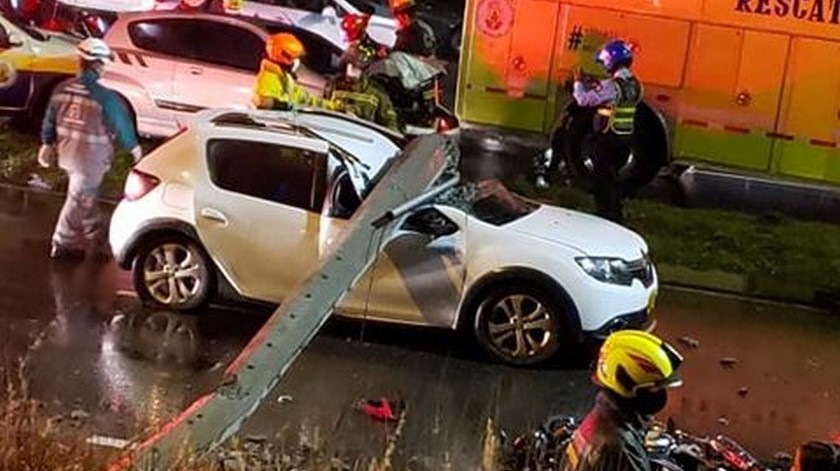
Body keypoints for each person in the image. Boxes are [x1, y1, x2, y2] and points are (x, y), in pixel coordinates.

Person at [38, 38, 142, 261]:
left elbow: (50, 119)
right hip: (91, 160)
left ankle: (97, 235)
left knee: (84, 196)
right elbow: (121, 125)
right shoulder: (106, 97)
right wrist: (134, 149)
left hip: (67, 154)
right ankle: (62, 243)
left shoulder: (62, 89)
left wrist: (47, 144)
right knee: (78, 199)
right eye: (103, 64)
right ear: (97, 65)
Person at [560, 330, 683, 471]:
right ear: (627, 385)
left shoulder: (603, 415)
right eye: (655, 388)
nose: (662, 394)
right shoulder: (620, 445)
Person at [571, 39, 643, 224]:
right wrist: (596, 84)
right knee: (613, 181)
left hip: (607, 140)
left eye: (604, 63)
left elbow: (583, 100)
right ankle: (615, 215)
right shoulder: (635, 84)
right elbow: (611, 94)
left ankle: (607, 221)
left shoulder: (613, 85)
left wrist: (578, 83)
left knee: (602, 183)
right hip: (625, 139)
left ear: (612, 61)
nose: (604, 67)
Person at [252, 32, 343, 111]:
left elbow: (304, 98)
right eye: (294, 58)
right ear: (284, 57)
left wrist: (332, 107)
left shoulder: (284, 77)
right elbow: (263, 102)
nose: (297, 62)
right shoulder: (269, 78)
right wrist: (284, 107)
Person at [327, 40, 400, 132]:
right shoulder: (334, 85)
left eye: (356, 67)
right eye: (349, 66)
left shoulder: (376, 93)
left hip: (363, 138)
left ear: (364, 70)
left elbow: (390, 123)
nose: (351, 72)